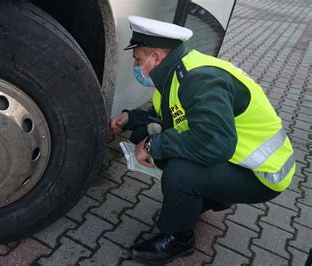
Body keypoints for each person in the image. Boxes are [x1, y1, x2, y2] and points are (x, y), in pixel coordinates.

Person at [110, 16, 296, 264]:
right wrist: (130, 118)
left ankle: (179, 240)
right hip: (236, 159)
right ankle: (208, 198)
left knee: (180, 172)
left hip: (263, 174)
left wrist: (153, 145)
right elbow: (169, 119)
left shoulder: (200, 80)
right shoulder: (177, 75)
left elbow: (213, 142)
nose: (135, 65)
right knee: (150, 138)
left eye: (138, 59)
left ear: (156, 57)